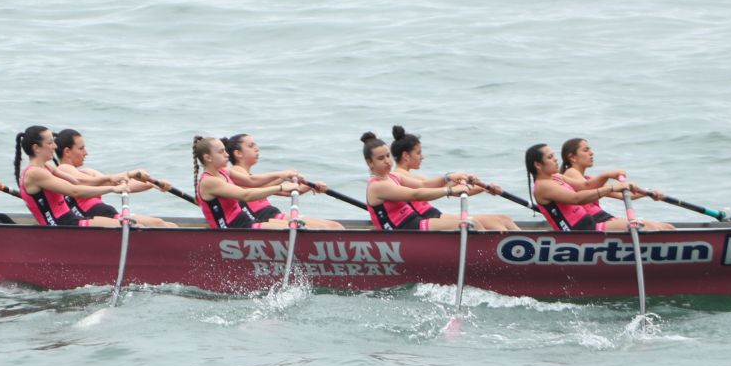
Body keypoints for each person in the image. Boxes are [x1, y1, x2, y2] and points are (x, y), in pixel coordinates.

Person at [359, 131, 516, 232]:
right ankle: (490, 259)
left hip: (416, 223)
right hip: (404, 231)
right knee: (471, 224)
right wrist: (449, 190)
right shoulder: (377, 186)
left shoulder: (393, 177)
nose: (387, 161)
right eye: (381, 158)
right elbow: (416, 194)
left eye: (388, 156)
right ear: (370, 163)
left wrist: (449, 177)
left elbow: (423, 185)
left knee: (497, 220)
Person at [12, 126, 148, 228]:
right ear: (36, 148)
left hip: (71, 219)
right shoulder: (35, 173)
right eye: (50, 143)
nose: (55, 146)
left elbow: (77, 181)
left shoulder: (46, 167)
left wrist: (112, 178)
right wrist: (112, 188)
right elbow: (74, 191)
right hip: (59, 226)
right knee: (127, 226)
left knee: (130, 224)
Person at [525, 140, 673, 233]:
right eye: (550, 157)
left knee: (666, 228)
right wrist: (611, 187)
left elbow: (584, 186)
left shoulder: (556, 177)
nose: (556, 159)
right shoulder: (542, 186)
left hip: (590, 224)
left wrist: (646, 192)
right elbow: (576, 198)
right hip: (580, 232)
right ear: (538, 164)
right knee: (647, 227)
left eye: (554, 156)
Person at [193, 136, 338, 230]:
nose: (226, 155)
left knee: (303, 228)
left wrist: (282, 174)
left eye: (225, 150)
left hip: (246, 221)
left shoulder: (224, 171)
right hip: (233, 229)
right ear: (208, 158)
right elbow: (246, 194)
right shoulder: (209, 182)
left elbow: (251, 181)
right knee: (295, 229)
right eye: (221, 152)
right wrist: (281, 185)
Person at [50, 128, 173, 227]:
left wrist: (155, 184)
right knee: (158, 224)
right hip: (93, 217)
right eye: (81, 148)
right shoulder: (63, 169)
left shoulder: (88, 172)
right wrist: (130, 174)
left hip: (108, 215)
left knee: (168, 225)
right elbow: (83, 183)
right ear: (67, 152)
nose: (86, 153)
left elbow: (122, 185)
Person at [386, 125, 508, 205]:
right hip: (418, 223)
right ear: (406, 156)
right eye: (418, 153)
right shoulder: (400, 177)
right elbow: (448, 189)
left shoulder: (414, 178)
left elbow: (453, 190)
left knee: (503, 219)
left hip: (424, 218)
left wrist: (483, 187)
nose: (422, 157)